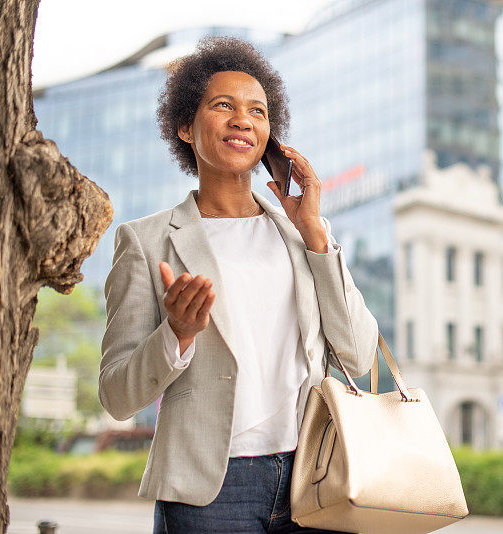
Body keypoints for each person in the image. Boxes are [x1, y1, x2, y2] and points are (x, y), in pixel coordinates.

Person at [98, 35, 378, 533]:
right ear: (186, 126)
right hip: (210, 491)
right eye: (223, 105)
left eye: (258, 110)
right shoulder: (145, 241)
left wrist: (314, 232)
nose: (242, 119)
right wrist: (177, 335)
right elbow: (117, 396)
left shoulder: (301, 231)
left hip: (312, 477)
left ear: (270, 135)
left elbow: (357, 353)